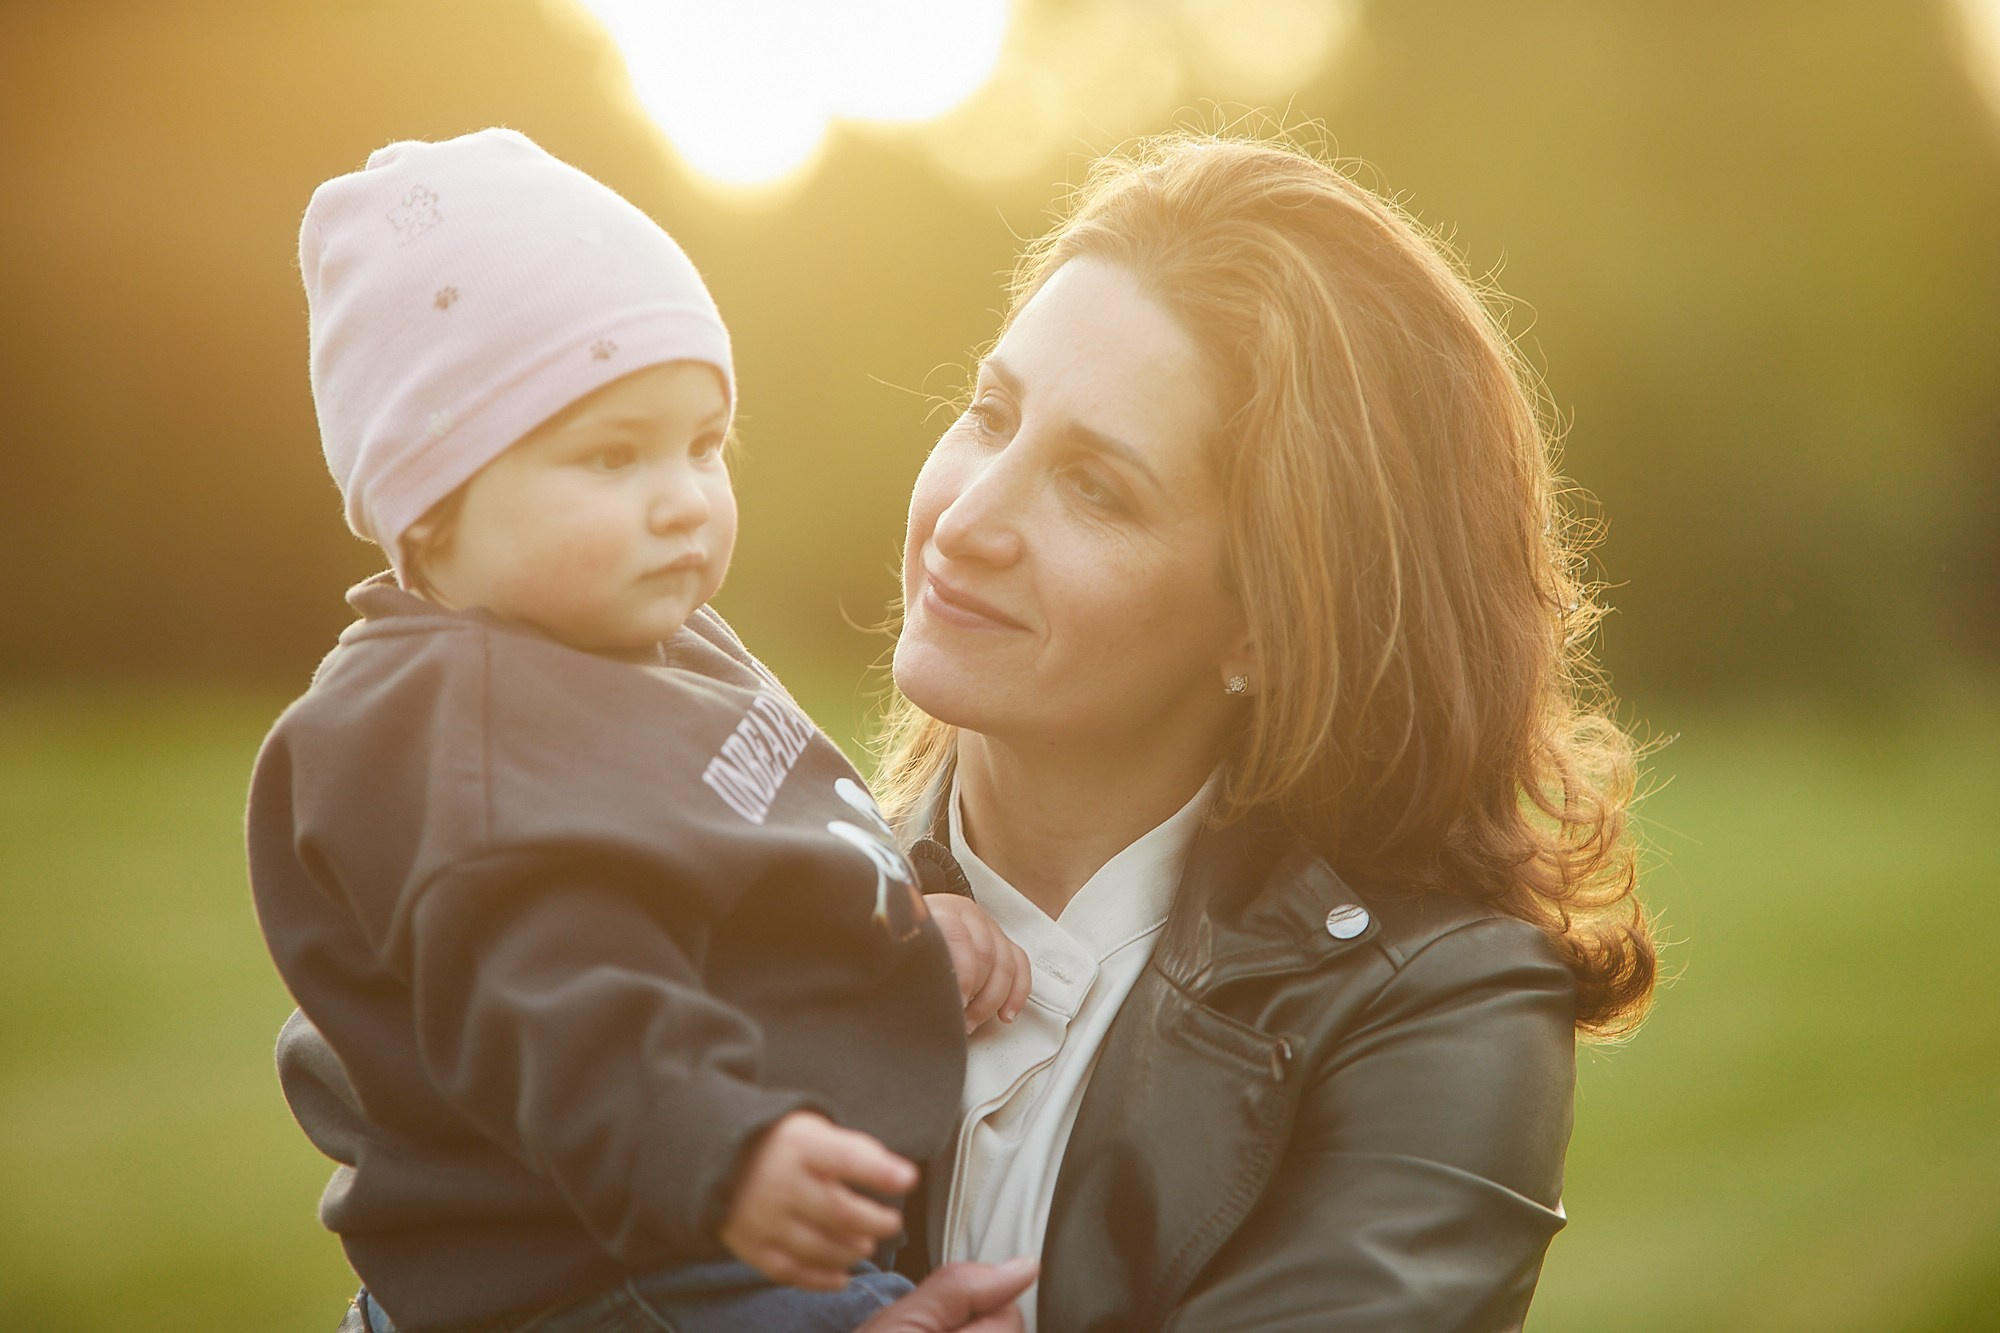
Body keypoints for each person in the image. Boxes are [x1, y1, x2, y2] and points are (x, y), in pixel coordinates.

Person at [248, 128, 1032, 1333]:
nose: (681, 498)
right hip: (613, 1270)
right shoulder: (453, 722)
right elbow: (553, 994)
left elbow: (724, 870)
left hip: (705, 1215)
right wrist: (726, 1153)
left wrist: (890, 930)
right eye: (610, 457)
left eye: (702, 444)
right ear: (433, 506)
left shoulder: (644, 638)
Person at [872, 133, 1660, 1331]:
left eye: (1097, 488)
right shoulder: (739, 892)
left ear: (1269, 624)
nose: (967, 518)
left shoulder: (1440, 1007)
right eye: (990, 413)